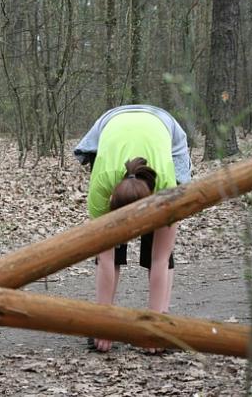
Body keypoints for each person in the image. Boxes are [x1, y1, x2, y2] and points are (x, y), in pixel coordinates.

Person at [74, 104, 192, 353]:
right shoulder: (101, 186)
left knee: (159, 250)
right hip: (110, 122)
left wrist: (154, 331)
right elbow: (106, 259)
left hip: (164, 125)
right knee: (109, 250)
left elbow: (160, 259)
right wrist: (104, 325)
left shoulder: (167, 187)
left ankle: (162, 317)